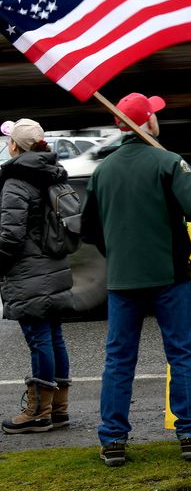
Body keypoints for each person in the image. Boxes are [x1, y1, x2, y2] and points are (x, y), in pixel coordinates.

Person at [80, 93, 191, 467]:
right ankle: (190, 434)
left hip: (122, 279)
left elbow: (89, 229)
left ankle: (113, 440)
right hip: (169, 277)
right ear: (149, 124)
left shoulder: (102, 170)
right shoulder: (169, 162)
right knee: (181, 354)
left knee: (119, 360)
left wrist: (119, 254)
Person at [0, 118, 73, 434]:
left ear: (15, 146)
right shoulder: (52, 175)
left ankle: (38, 412)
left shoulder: (16, 182)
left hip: (29, 272)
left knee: (39, 338)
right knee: (54, 337)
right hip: (54, 267)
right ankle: (59, 409)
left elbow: (9, 237)